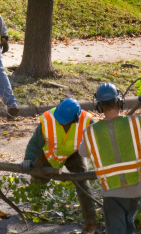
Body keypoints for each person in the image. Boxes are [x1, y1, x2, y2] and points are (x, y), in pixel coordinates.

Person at [78, 83, 141, 234]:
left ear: (99, 106)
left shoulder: (91, 132)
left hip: (112, 192)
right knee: (129, 227)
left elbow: (82, 153)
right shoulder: (136, 123)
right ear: (120, 102)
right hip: (136, 188)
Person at [20, 98, 98, 233]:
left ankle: (91, 223)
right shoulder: (49, 118)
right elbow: (35, 143)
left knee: (82, 182)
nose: (60, 121)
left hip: (74, 153)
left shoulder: (87, 121)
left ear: (76, 118)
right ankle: (34, 205)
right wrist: (28, 159)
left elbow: (99, 142)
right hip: (49, 153)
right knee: (39, 179)